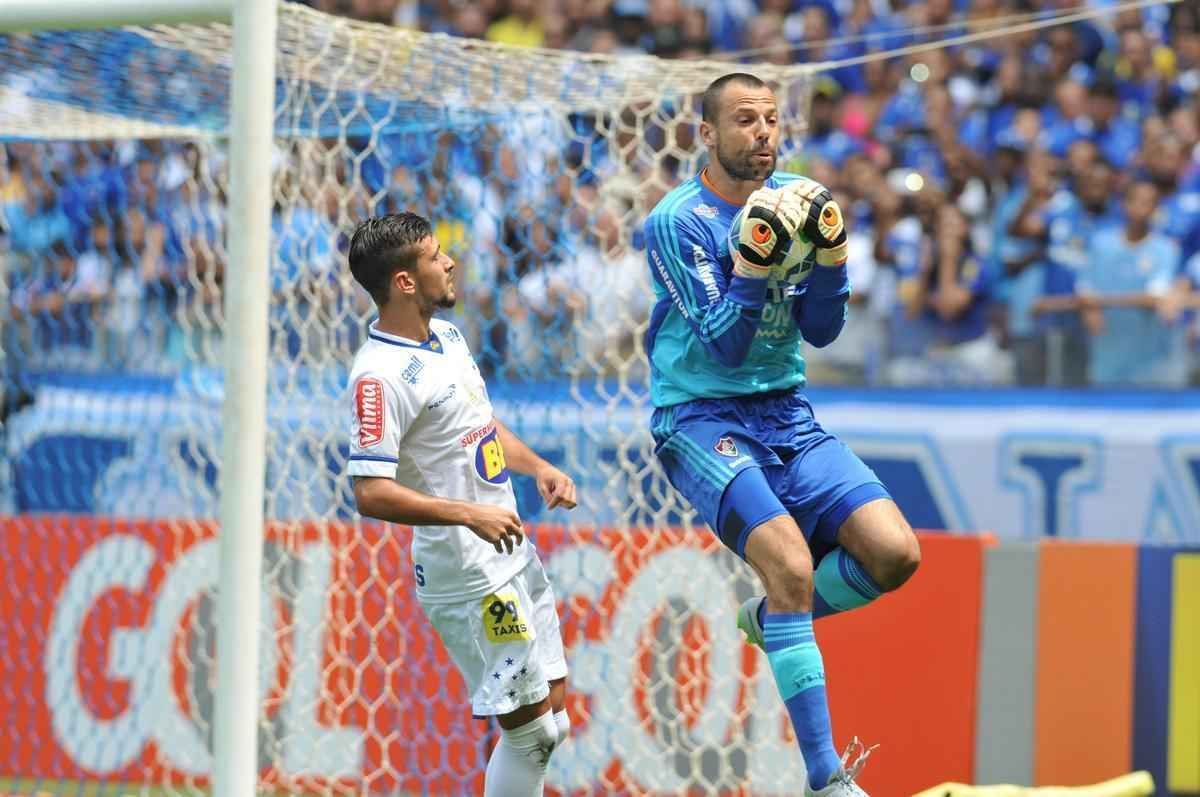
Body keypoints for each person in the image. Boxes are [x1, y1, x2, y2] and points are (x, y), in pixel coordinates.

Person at [642, 73, 921, 796]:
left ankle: (772, 619)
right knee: (792, 565)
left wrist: (832, 260)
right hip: (702, 415)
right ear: (707, 134)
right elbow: (722, 345)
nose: (763, 133)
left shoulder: (799, 199)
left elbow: (824, 328)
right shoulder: (677, 222)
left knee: (896, 554)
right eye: (744, 120)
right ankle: (826, 778)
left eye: (769, 119)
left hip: (787, 412)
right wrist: (755, 264)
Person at [345, 212, 578, 797]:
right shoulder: (379, 377)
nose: (450, 261)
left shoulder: (447, 336)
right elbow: (369, 491)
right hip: (466, 572)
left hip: (509, 547)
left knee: (555, 714)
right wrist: (469, 514)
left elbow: (480, 426)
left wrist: (539, 466)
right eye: (433, 255)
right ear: (404, 281)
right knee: (531, 737)